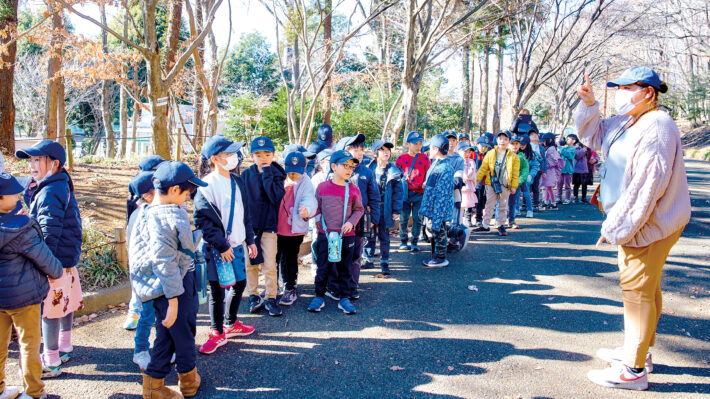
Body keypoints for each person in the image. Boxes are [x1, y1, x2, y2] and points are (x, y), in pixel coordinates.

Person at [576, 67, 691, 391]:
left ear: (648, 92)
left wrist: (618, 228)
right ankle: (640, 352)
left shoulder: (657, 126)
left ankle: (633, 370)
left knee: (636, 291)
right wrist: (589, 103)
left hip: (649, 223)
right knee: (647, 288)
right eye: (620, 87)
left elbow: (647, 186)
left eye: (629, 87)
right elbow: (593, 135)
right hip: (643, 220)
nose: (623, 92)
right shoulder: (630, 121)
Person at [129, 161, 205, 398]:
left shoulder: (152, 211)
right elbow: (165, 261)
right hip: (172, 287)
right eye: (187, 193)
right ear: (173, 191)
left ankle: (154, 385)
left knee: (168, 335)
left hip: (169, 284)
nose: (188, 197)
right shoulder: (166, 216)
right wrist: (173, 300)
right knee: (182, 334)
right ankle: (188, 381)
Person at [15, 140, 83, 378]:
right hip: (66, 257)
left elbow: (49, 231)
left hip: (53, 260)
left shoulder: (50, 192)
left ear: (54, 164)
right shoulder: (57, 184)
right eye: (30, 161)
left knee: (51, 310)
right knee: (65, 303)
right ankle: (64, 346)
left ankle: (52, 359)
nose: (32, 165)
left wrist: (45, 265)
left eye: (37, 160)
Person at [0, 172, 63, 399]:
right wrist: (56, 273)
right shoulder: (21, 227)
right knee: (28, 345)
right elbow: (44, 258)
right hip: (23, 297)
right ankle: (34, 392)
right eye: (12, 193)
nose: (18, 195)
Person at [193, 136, 257, 355]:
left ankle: (231, 323)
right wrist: (222, 246)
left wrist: (250, 240)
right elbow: (203, 221)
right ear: (215, 159)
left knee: (239, 284)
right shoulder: (205, 186)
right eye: (229, 154)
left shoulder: (237, 181)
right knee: (217, 291)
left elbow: (245, 214)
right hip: (217, 249)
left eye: (234, 154)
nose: (234, 158)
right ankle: (216, 331)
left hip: (238, 246)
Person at [308, 150, 364, 314]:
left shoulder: (353, 189)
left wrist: (351, 222)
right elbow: (316, 209)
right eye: (345, 165)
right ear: (333, 166)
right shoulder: (322, 187)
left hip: (347, 237)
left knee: (345, 267)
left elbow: (359, 210)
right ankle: (319, 296)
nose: (349, 169)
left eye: (351, 167)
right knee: (323, 266)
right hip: (326, 235)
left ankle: (344, 298)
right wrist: (317, 224)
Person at [241, 137, 286, 317]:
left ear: (273, 155)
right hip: (250, 228)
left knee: (269, 265)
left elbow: (275, 197)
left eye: (267, 154)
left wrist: (267, 172)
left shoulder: (277, 174)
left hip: (269, 227)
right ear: (252, 156)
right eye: (258, 155)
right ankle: (253, 295)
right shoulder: (246, 175)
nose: (263, 158)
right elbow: (242, 202)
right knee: (250, 264)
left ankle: (270, 297)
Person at [334, 134, 379, 299]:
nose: (360, 152)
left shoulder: (366, 172)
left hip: (359, 220)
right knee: (337, 254)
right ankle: (336, 286)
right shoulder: (336, 171)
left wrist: (374, 218)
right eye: (355, 149)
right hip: (337, 220)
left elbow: (374, 196)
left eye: (361, 149)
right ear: (346, 150)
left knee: (355, 255)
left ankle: (352, 287)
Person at [124, 155, 166, 330]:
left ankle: (137, 313)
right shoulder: (144, 195)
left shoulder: (139, 190)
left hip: (140, 247)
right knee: (145, 281)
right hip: (143, 247)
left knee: (142, 281)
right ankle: (137, 313)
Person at [126, 171, 161, 369]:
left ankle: (162, 348)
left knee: (161, 315)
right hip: (146, 273)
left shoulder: (154, 210)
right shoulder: (141, 214)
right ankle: (140, 350)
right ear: (147, 195)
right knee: (147, 315)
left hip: (156, 272)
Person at [276, 151, 317, 306]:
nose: (293, 175)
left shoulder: (306, 181)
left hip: (295, 228)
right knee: (274, 258)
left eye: (297, 172)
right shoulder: (279, 178)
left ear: (304, 168)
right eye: (290, 172)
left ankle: (290, 287)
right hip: (276, 226)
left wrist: (307, 210)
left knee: (289, 258)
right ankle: (273, 286)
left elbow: (310, 199)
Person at [364, 140, 403, 275]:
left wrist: (396, 210)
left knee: (384, 236)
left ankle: (384, 261)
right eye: (382, 150)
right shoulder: (368, 169)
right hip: (370, 209)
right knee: (369, 234)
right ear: (375, 153)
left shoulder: (393, 171)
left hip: (385, 209)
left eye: (388, 150)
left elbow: (398, 193)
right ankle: (368, 258)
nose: (386, 152)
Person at [474, 131, 520, 236]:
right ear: (496, 140)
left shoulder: (514, 157)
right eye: (500, 139)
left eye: (505, 139)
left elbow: (515, 174)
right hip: (492, 183)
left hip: (505, 184)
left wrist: (514, 186)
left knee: (503, 205)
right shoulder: (490, 153)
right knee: (489, 204)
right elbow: (483, 168)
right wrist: (477, 180)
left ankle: (501, 225)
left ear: (509, 141)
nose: (502, 141)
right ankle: (485, 225)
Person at [419, 135, 455, 267]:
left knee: (438, 230)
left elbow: (443, 195)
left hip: (437, 208)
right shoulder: (436, 164)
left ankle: (440, 256)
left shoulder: (445, 168)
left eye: (430, 148)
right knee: (434, 230)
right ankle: (435, 254)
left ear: (436, 149)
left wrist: (437, 215)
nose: (428, 150)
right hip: (431, 206)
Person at [395, 131, 430, 252]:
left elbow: (428, 174)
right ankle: (403, 240)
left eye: (420, 143)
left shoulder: (425, 158)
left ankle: (415, 241)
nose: (418, 146)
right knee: (404, 217)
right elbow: (396, 175)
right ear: (407, 144)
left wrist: (426, 183)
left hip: (420, 193)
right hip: (404, 193)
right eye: (415, 143)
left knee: (417, 217)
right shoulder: (401, 158)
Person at [506, 135, 528, 229]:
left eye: (517, 144)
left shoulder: (521, 157)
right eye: (512, 144)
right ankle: (500, 221)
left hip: (515, 183)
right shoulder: (504, 155)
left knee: (512, 202)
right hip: (504, 182)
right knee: (501, 203)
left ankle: (511, 220)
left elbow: (525, 170)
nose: (515, 146)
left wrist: (519, 181)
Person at [472, 135, 492, 227]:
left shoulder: (489, 155)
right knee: (472, 200)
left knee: (481, 200)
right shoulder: (473, 153)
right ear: (477, 144)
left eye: (485, 146)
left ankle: (479, 218)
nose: (483, 148)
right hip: (473, 180)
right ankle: (468, 217)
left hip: (484, 181)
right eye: (482, 146)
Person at [518, 135, 539, 218]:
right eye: (520, 144)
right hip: (517, 177)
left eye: (523, 144)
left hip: (526, 177)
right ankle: (516, 209)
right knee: (516, 194)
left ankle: (530, 210)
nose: (521, 146)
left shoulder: (532, 154)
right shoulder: (516, 152)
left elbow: (535, 166)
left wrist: (531, 175)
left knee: (526, 194)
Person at [540, 133, 562, 210]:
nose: (543, 142)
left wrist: (545, 164)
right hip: (549, 171)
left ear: (549, 140)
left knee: (549, 187)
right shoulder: (551, 148)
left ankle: (553, 203)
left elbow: (554, 160)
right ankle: (546, 202)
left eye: (545, 141)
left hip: (550, 171)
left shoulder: (551, 149)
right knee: (547, 187)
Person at [567, 134, 589, 203]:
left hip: (584, 169)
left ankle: (584, 197)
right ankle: (575, 197)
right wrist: (583, 150)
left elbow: (592, 155)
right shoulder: (574, 148)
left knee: (584, 185)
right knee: (576, 184)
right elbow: (577, 156)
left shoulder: (582, 147)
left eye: (568, 139)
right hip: (576, 169)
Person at [528, 131, 546, 212]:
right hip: (527, 169)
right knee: (526, 187)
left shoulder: (541, 148)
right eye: (532, 135)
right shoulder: (527, 146)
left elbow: (544, 160)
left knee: (536, 187)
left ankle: (536, 204)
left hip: (538, 170)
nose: (534, 136)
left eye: (536, 135)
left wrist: (544, 170)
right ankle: (526, 203)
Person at [557, 136, 575, 205]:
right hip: (561, 169)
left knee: (567, 185)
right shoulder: (564, 148)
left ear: (573, 141)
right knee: (559, 184)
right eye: (566, 139)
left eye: (568, 139)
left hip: (568, 169)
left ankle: (567, 198)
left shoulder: (573, 149)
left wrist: (559, 147)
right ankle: (559, 198)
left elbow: (568, 155)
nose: (566, 140)